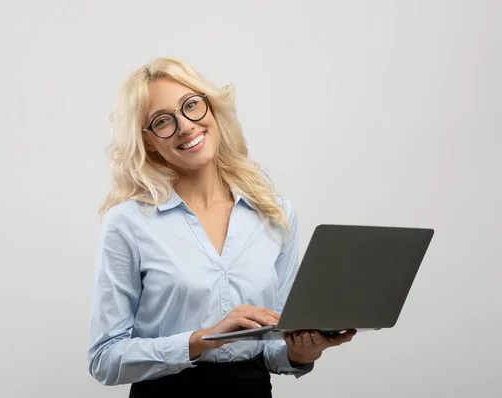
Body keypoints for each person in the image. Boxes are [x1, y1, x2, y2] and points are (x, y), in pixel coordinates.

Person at [87, 57, 356, 397]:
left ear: (211, 109)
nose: (185, 126)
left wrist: (305, 348)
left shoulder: (273, 213)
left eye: (191, 106)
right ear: (149, 141)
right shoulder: (127, 223)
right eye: (162, 121)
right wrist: (204, 339)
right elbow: (104, 358)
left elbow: (276, 347)